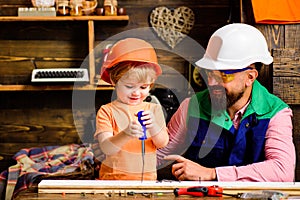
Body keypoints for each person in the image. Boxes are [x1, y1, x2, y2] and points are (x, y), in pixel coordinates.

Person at [157, 23, 296, 182]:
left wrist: (213, 174)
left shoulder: (275, 112)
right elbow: (158, 156)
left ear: (250, 77)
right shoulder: (192, 106)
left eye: (223, 75)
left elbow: (282, 171)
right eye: (210, 73)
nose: (211, 82)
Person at [94, 38, 169, 180]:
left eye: (143, 87)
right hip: (113, 182)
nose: (136, 93)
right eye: (129, 86)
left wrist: (154, 126)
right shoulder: (107, 111)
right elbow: (106, 148)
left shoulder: (154, 110)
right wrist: (126, 134)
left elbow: (162, 143)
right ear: (115, 82)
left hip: (147, 182)